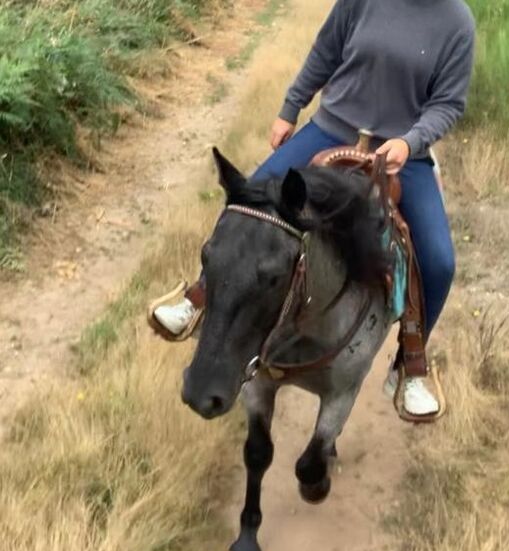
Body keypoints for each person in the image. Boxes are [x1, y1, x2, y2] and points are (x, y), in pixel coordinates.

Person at [153, 0, 476, 416]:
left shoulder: (457, 22)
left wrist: (410, 142)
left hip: (401, 156)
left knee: (438, 261)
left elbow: (448, 104)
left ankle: (410, 364)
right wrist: (290, 109)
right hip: (330, 128)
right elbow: (325, 53)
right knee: (246, 201)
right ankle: (199, 297)